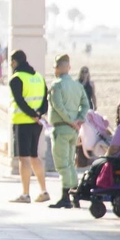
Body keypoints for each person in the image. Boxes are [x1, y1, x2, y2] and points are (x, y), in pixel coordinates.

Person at [47, 52, 89, 209]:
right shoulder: (77, 86)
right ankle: (74, 194)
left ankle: (65, 196)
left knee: (62, 163)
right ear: (69, 67)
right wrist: (79, 119)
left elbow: (58, 106)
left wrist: (71, 121)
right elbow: (86, 105)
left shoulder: (57, 85)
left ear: (57, 68)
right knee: (71, 163)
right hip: (74, 130)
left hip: (62, 128)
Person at [7, 50, 48, 202]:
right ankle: (43, 190)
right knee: (34, 156)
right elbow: (45, 100)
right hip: (37, 123)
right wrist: (39, 114)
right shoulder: (38, 77)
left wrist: (31, 114)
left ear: (15, 62)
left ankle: (25, 194)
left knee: (23, 159)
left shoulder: (16, 78)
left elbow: (20, 101)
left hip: (22, 122)